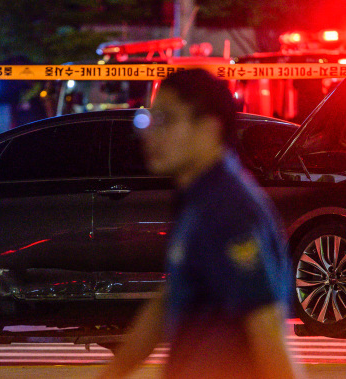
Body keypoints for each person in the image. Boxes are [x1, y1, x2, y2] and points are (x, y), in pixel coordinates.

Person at [98, 69, 302, 379]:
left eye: (165, 120)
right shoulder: (196, 197)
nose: (150, 135)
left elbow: (268, 330)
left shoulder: (229, 209)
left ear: (208, 128)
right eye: (149, 120)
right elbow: (168, 299)